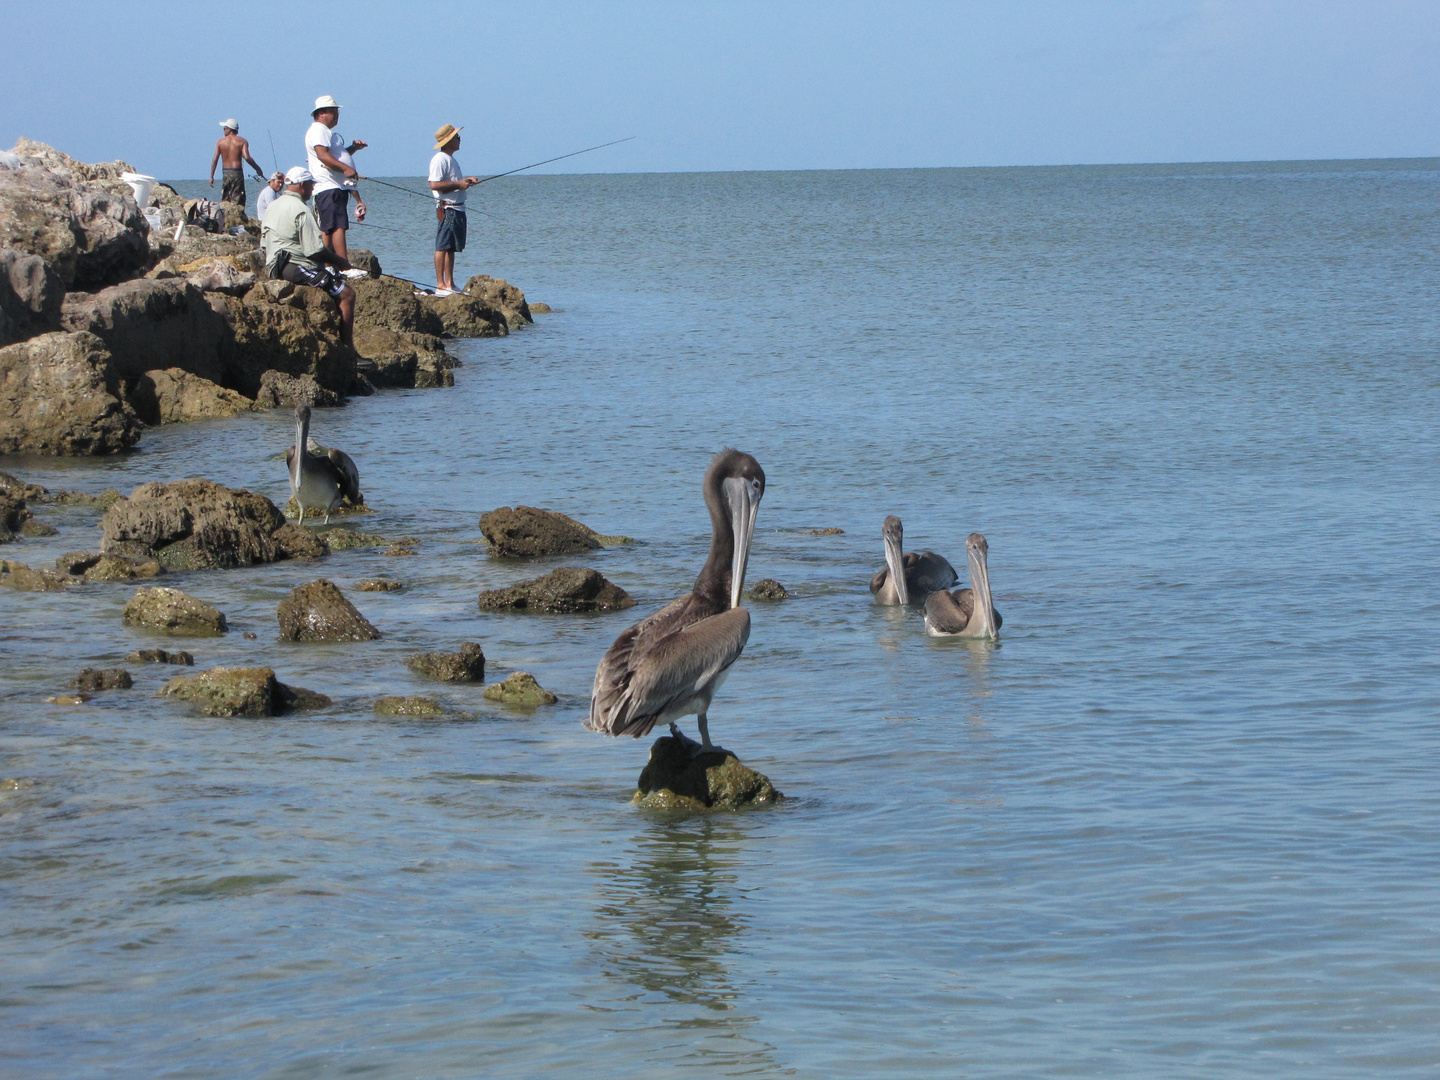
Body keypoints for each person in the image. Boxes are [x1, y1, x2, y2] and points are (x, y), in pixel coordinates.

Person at [261, 167, 356, 349]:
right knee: (347, 294)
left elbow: (264, 245)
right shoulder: (301, 210)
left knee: (333, 283)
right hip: (294, 267)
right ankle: (349, 348)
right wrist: (339, 261)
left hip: (274, 266)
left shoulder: (273, 205)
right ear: (303, 185)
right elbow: (314, 250)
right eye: (312, 184)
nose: (313, 189)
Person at [305, 95, 367, 262]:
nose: (336, 115)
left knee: (328, 226)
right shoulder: (319, 130)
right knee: (338, 226)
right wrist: (346, 168)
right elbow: (323, 156)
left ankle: (329, 265)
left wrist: (353, 149)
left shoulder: (326, 132)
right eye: (333, 112)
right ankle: (343, 265)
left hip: (335, 186)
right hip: (328, 185)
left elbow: (335, 156)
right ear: (321, 113)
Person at [428, 124, 479, 295]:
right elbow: (435, 185)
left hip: (458, 209)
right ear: (449, 141)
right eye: (457, 137)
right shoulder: (439, 159)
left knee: (451, 247)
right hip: (447, 208)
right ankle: (440, 284)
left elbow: (453, 184)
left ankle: (450, 283)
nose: (459, 140)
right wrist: (459, 184)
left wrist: (466, 181)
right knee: (442, 246)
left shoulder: (451, 160)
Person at [209, 119, 265, 205]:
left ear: (230, 129)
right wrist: (258, 169)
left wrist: (211, 176)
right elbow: (247, 157)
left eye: (225, 128)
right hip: (237, 172)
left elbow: (214, 160)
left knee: (226, 198)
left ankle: (226, 216)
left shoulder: (220, 142)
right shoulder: (242, 141)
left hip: (226, 173)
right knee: (238, 198)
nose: (223, 130)